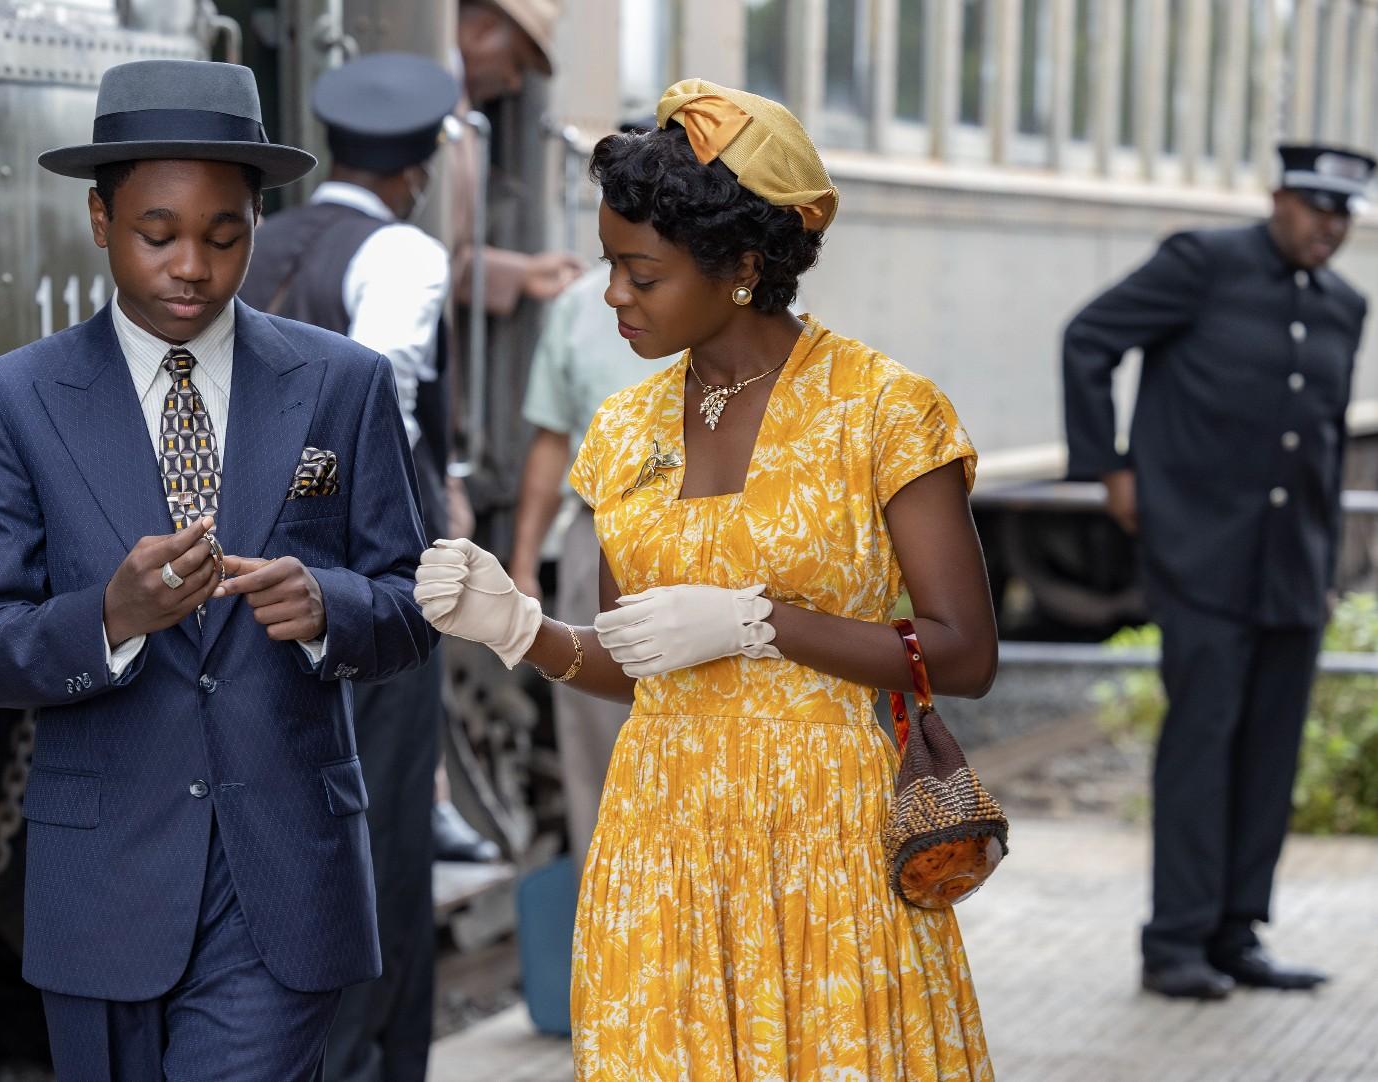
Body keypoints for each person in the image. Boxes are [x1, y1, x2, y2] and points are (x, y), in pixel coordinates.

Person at [414, 80, 997, 1077]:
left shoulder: (881, 411)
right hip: (659, 833)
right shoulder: (624, 426)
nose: (612, 296)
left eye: (641, 274)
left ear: (740, 267)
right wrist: (520, 629)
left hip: (825, 837)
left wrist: (758, 622)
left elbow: (963, 652)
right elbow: (635, 658)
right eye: (609, 266)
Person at [0, 59, 436, 1080]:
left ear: (257, 222)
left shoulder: (343, 384)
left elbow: (409, 602)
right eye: (155, 235)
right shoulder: (13, 403)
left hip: (283, 880)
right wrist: (109, 617)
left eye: (224, 237)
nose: (191, 269)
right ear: (98, 219)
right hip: (103, 883)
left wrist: (330, 606)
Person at [1062, 143, 1373, 1000]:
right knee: (1202, 743)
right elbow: (1089, 338)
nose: (1329, 226)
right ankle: (1175, 944)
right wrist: (1112, 468)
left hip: (1295, 565)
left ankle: (1239, 933)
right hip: (1201, 554)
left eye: (1343, 214)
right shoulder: (1203, 265)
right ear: (1278, 198)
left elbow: (1316, 440)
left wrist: (1323, 563)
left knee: (1270, 750)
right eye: (1315, 207)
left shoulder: (1347, 305)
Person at [237, 52, 458, 1082]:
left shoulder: (255, 235)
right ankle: (366, 1058)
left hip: (236, 583)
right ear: (415, 166)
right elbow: (386, 404)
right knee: (378, 832)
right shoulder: (403, 252)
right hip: (363, 586)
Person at [510, 117, 678, 863]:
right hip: (598, 534)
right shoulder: (580, 304)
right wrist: (522, 567)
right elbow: (550, 439)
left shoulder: (749, 316)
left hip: (706, 536)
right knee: (594, 742)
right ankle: (606, 921)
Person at [448, 0, 587, 318]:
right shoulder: (436, 101)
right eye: (517, 63)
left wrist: (521, 274)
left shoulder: (458, 107)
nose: (514, 82)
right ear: (482, 31)